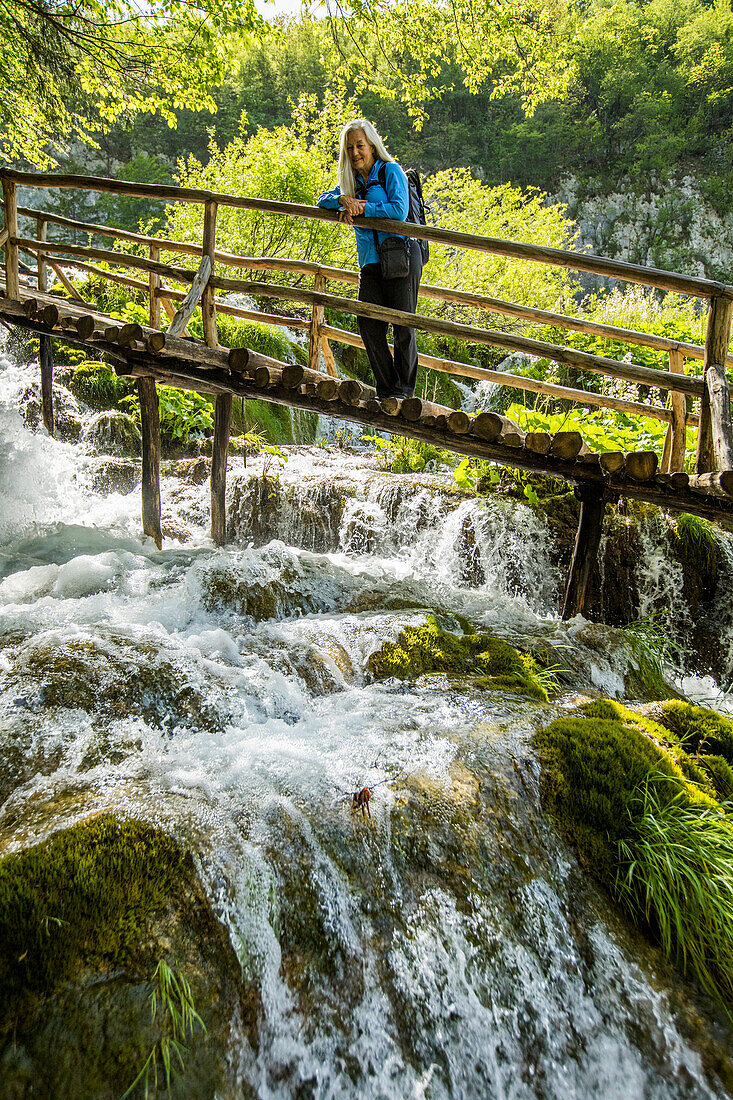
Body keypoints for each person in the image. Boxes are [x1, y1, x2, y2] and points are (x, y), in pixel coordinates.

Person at [317, 119, 423, 400]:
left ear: (372, 146)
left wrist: (362, 208)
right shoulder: (349, 182)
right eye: (349, 148)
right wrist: (342, 201)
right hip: (371, 262)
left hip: (401, 256)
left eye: (360, 146)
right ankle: (388, 390)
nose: (355, 153)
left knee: (402, 326)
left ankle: (405, 393)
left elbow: (399, 211)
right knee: (369, 325)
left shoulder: (390, 171)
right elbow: (321, 200)